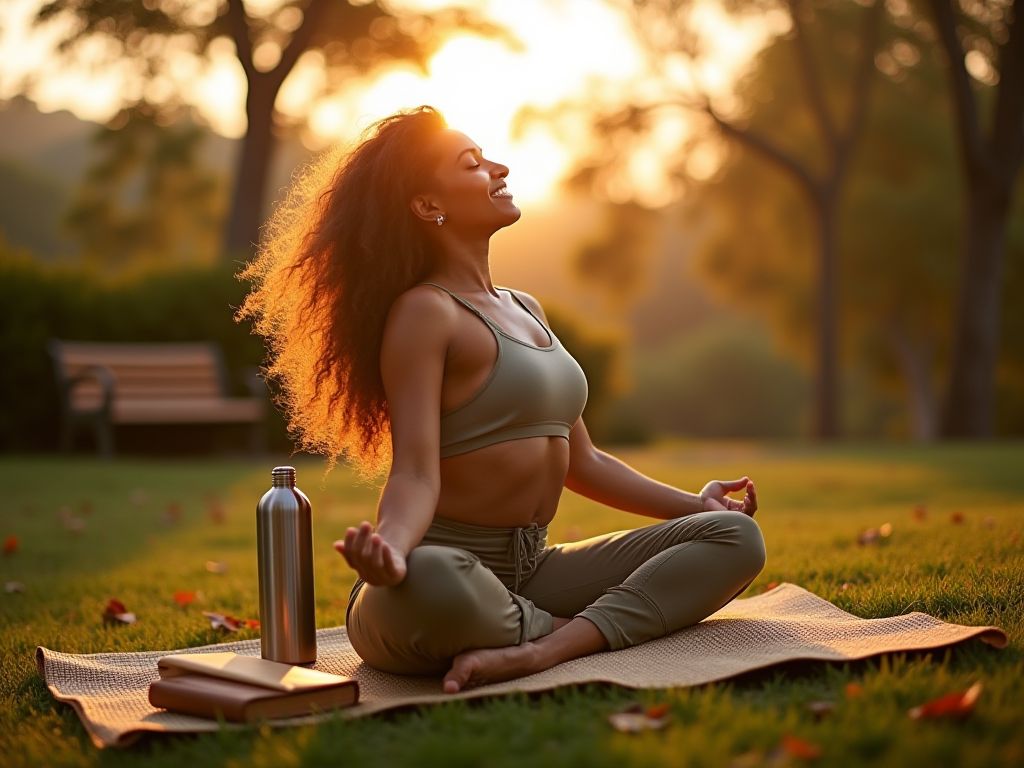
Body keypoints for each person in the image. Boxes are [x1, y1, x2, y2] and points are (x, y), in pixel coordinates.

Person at [236, 105, 766, 696]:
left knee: (733, 537)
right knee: (438, 578)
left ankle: (542, 646)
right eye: (472, 164)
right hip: (433, 577)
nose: (499, 168)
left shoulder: (526, 308)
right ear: (427, 205)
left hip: (533, 571)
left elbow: (585, 462)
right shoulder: (426, 313)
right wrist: (393, 550)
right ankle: (571, 630)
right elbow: (415, 472)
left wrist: (694, 506)